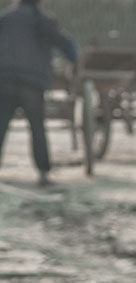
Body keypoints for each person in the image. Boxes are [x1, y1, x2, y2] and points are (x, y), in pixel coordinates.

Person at [0, 0, 77, 187]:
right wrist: (74, 57)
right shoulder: (41, 18)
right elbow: (63, 42)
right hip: (32, 81)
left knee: (1, 126)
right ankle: (43, 173)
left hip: (5, 79)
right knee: (37, 128)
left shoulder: (5, 17)